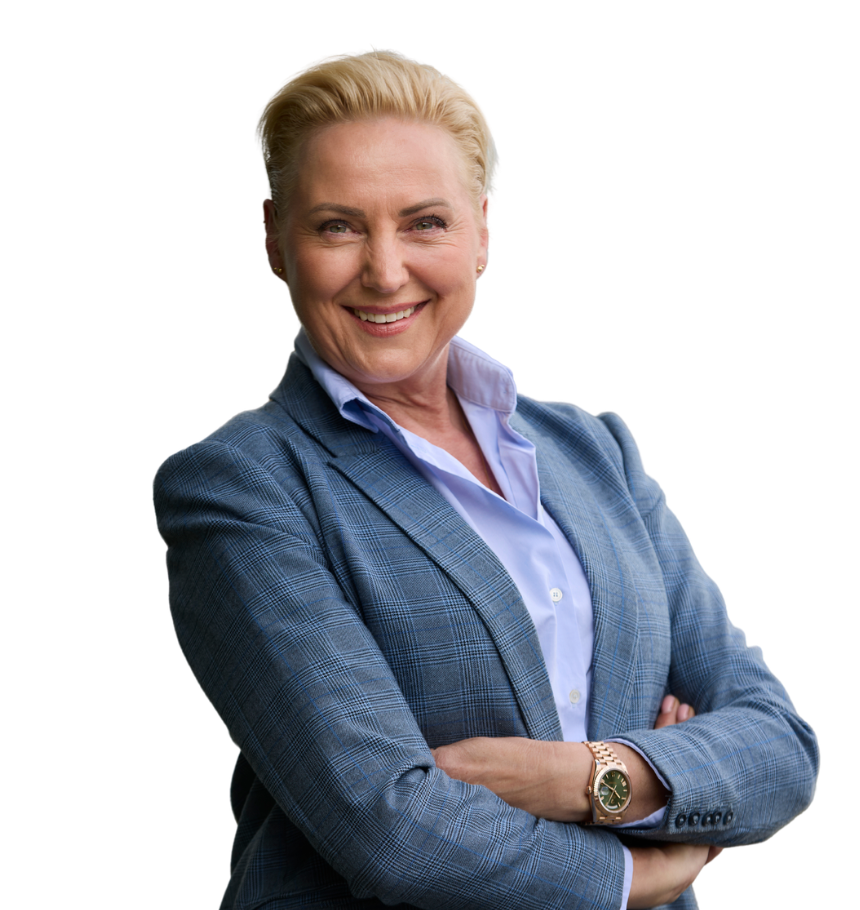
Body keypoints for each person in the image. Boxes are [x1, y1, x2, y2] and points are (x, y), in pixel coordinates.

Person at [154, 51, 818, 909]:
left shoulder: (592, 452)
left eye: (424, 223)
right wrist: (638, 866)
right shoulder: (242, 489)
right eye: (338, 227)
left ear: (482, 234)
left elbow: (779, 746)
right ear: (277, 240)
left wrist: (585, 776)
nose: (384, 270)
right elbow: (392, 831)